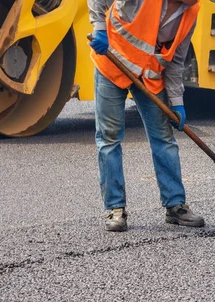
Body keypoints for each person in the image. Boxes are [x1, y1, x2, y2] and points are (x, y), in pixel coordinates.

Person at [88, 0, 205, 231]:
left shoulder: (191, 13)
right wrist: (99, 28)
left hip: (149, 76)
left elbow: (175, 62)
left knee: (164, 138)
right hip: (112, 64)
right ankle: (115, 209)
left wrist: (177, 103)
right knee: (109, 138)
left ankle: (175, 205)